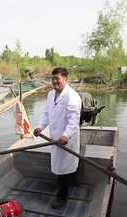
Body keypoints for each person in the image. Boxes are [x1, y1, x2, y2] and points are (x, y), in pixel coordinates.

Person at [33, 67, 81, 208]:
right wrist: (40, 127)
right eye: (52, 79)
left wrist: (66, 135)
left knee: (65, 167)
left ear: (65, 79)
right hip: (54, 137)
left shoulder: (72, 96)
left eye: (57, 79)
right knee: (60, 166)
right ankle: (66, 184)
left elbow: (73, 120)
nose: (54, 82)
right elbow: (46, 114)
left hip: (66, 138)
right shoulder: (50, 95)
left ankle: (62, 198)